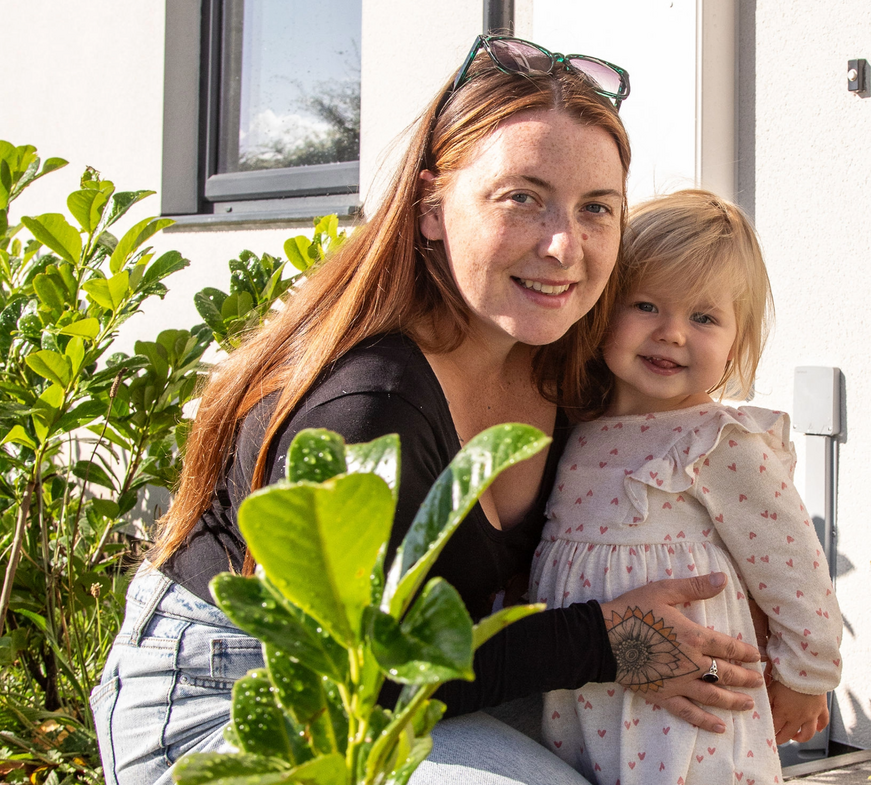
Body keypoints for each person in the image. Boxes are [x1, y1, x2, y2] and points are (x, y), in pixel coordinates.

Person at [90, 36, 764, 785]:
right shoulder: (367, 402)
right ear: (431, 209)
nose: (564, 244)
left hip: (458, 674)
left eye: (596, 208)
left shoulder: (566, 359)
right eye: (522, 198)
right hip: (247, 696)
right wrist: (607, 644)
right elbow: (362, 673)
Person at [529, 190, 843, 785]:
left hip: (689, 714)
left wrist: (807, 676)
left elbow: (793, 564)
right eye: (646, 305)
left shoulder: (718, 441)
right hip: (589, 695)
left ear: (736, 342)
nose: (672, 333)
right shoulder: (578, 425)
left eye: (703, 318)